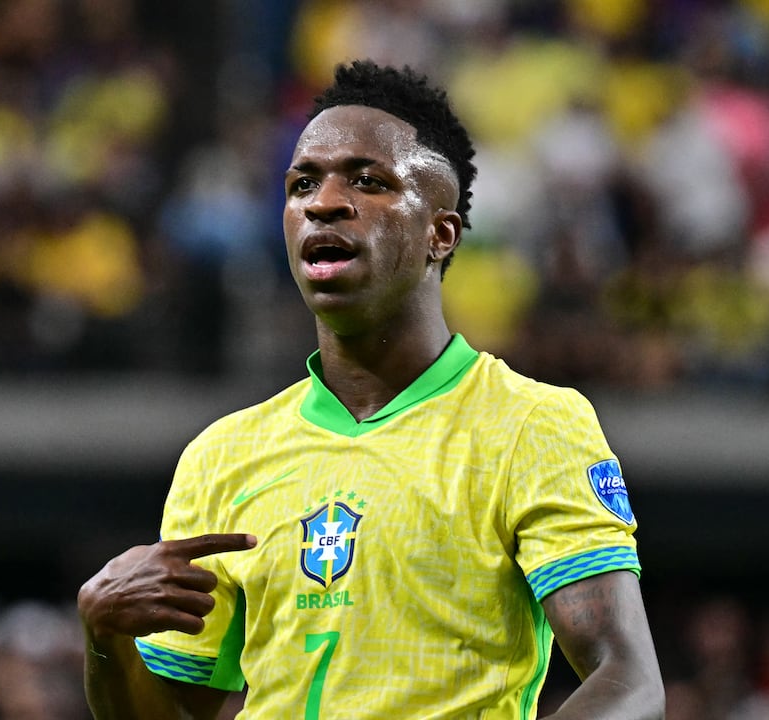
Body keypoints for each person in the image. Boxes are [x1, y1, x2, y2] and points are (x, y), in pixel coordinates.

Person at [77, 59, 664, 720]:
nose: (324, 202)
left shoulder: (531, 426)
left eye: (368, 180)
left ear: (439, 234)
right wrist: (105, 640)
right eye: (303, 183)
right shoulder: (220, 457)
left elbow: (627, 680)